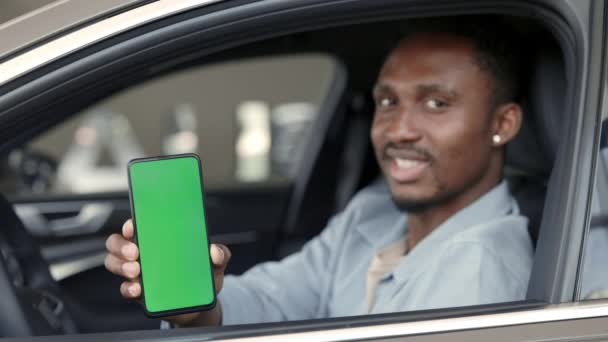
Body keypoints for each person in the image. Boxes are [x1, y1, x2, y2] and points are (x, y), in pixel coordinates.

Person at [105, 18, 533, 327]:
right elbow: (282, 298)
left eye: (437, 104)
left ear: (502, 125)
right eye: (388, 102)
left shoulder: (482, 273)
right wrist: (200, 308)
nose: (399, 129)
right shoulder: (373, 211)